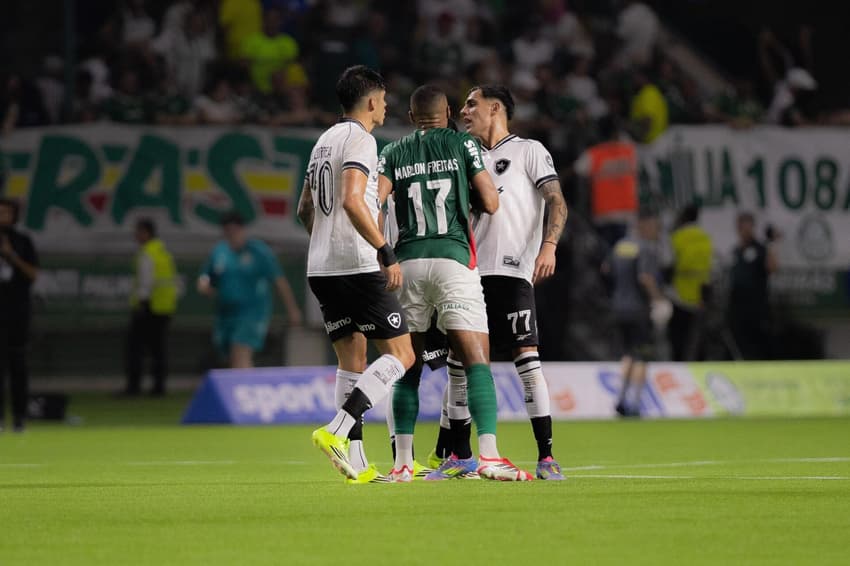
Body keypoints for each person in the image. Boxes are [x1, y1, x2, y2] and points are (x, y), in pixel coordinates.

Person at [379, 84, 533, 482]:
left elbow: (372, 202)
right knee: (475, 358)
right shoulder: (463, 145)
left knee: (407, 366)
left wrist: (383, 253)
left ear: (412, 119)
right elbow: (492, 202)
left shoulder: (393, 153)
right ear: (447, 113)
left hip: (409, 262)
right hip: (452, 260)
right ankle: (489, 455)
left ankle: (402, 463)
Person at [429, 84, 569, 480]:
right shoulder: (464, 154)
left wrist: (549, 246)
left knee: (526, 358)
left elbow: (557, 200)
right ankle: (460, 455)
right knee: (461, 364)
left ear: (495, 108)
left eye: (471, 104)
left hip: (511, 273)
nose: (464, 110)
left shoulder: (529, 150)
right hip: (468, 274)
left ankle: (546, 456)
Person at [296, 65, 416, 483]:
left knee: (352, 359)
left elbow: (304, 210)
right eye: (382, 100)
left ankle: (360, 466)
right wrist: (385, 250)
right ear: (369, 102)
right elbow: (351, 198)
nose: (385, 106)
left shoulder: (322, 142)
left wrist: (326, 245)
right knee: (403, 355)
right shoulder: (361, 140)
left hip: (322, 267)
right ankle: (337, 430)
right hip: (357, 264)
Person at [197, 212, 302, 369]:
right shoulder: (220, 252)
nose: (232, 236)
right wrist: (203, 284)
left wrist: (293, 310)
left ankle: (242, 390)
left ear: (242, 230)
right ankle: (243, 387)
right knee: (230, 357)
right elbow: (206, 276)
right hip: (225, 314)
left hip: (252, 313)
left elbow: (279, 281)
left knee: (240, 352)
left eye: (235, 231)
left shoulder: (258, 251)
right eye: (228, 232)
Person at [604, 211, 669, 417]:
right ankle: (634, 403)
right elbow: (645, 277)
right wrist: (659, 299)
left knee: (627, 354)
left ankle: (621, 399)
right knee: (641, 355)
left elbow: (606, 269)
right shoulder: (645, 247)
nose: (657, 233)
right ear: (645, 226)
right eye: (655, 228)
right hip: (638, 309)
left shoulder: (620, 245)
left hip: (618, 307)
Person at [122, 219, 178, 397]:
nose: (136, 236)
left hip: (149, 307)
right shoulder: (163, 252)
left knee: (135, 349)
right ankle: (159, 387)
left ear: (147, 233)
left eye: (139, 232)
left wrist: (141, 304)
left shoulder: (147, 253)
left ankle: (134, 387)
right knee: (158, 350)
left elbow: (146, 283)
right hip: (164, 308)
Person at [0, 198, 38, 432]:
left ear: (14, 216)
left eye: (6, 212)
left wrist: (10, 255)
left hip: (16, 313)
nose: (2, 216)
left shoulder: (23, 242)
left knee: (18, 365)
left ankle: (19, 417)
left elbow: (33, 274)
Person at [573, 115, 638, 249]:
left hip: (604, 213)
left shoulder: (594, 154)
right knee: (625, 254)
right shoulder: (629, 151)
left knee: (607, 254)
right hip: (627, 212)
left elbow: (577, 169)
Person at [727, 212, 778, 360]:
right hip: (737, 307)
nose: (746, 231)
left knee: (759, 345)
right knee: (740, 345)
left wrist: (772, 244)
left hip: (756, 307)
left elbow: (772, 268)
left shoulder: (760, 249)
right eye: (742, 227)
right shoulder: (735, 251)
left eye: (749, 227)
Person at [668, 205, 713, 361]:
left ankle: (678, 365)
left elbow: (669, 263)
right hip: (700, 293)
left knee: (678, 337)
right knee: (698, 337)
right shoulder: (705, 237)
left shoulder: (677, 237)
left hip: (680, 293)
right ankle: (701, 364)